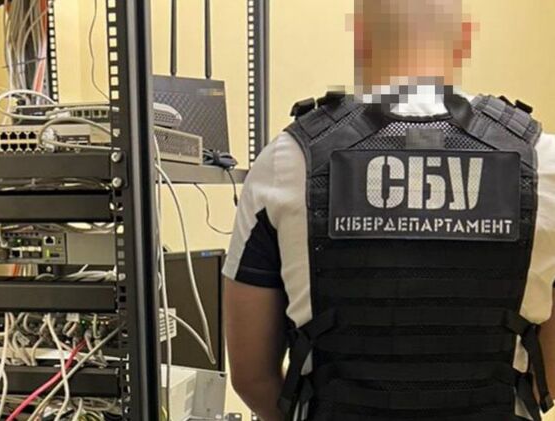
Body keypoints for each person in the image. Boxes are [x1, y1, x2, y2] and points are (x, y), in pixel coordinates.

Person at [222, 1, 555, 420]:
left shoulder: (288, 158)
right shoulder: (542, 160)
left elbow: (251, 376)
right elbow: (547, 377)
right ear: (464, 39)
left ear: (361, 38)